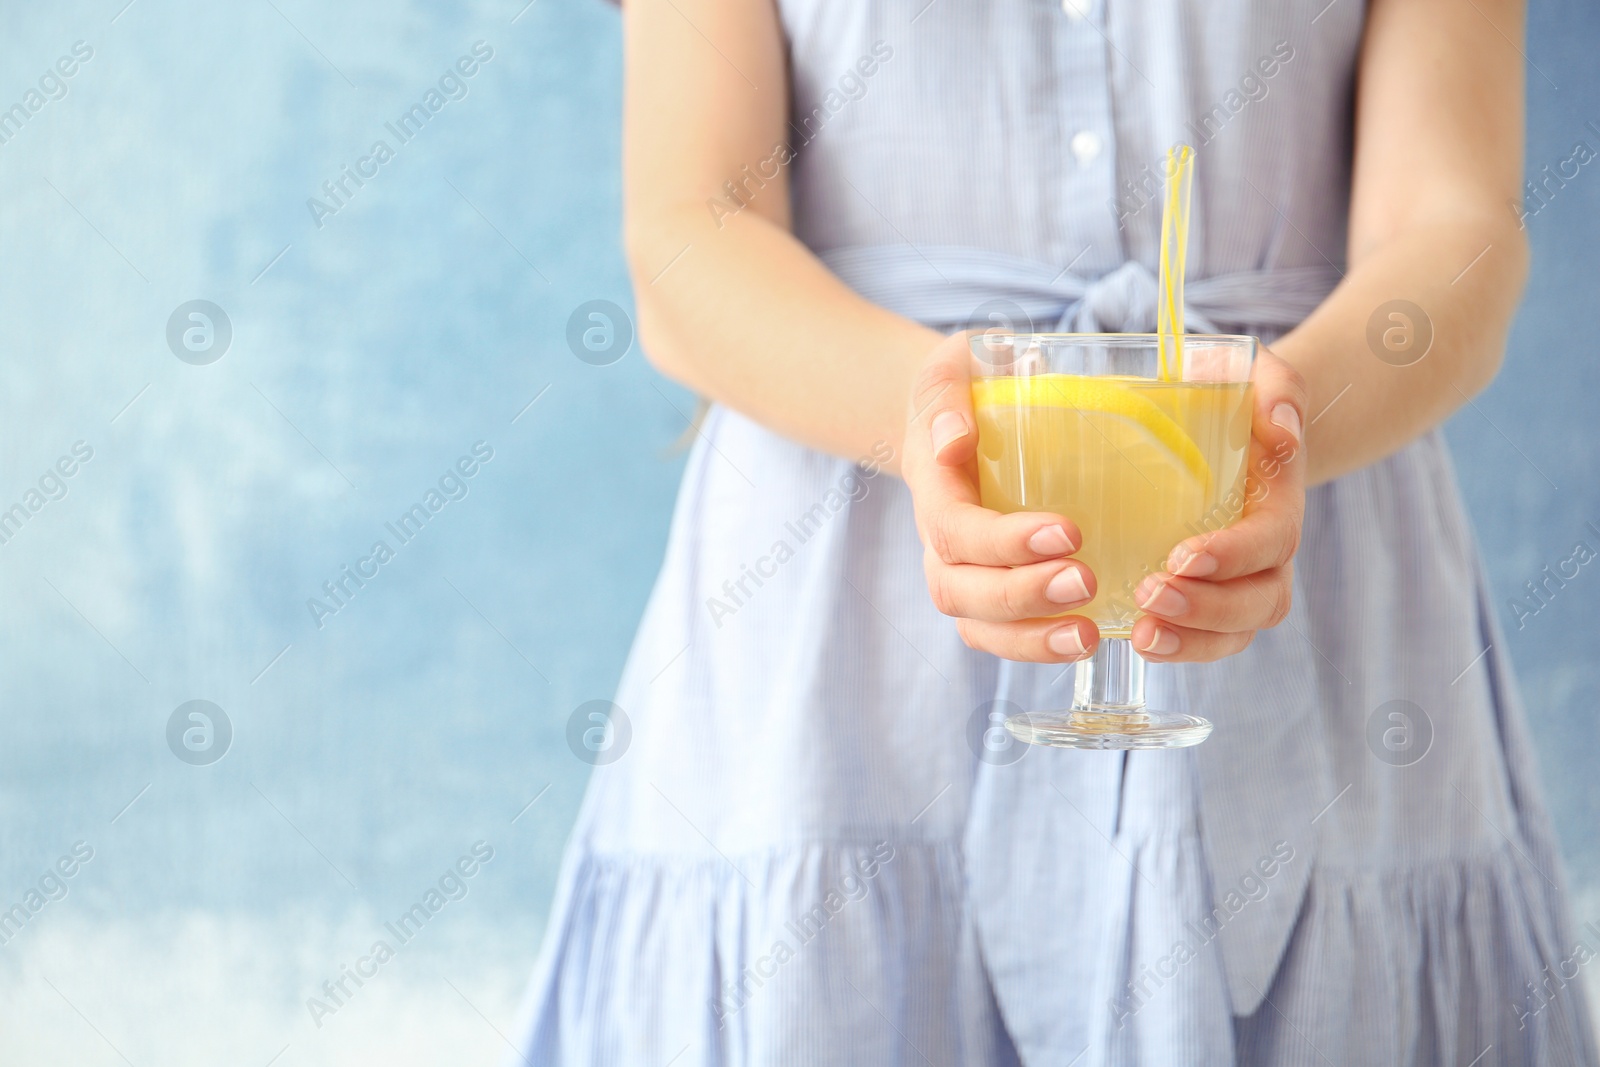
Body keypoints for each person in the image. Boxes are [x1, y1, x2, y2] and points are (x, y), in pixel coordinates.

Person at [510, 0, 1598, 1062]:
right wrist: (935, 418)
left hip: (1313, 509)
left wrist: (1270, 434)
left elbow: (1453, 228)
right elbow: (688, 234)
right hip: (836, 604)